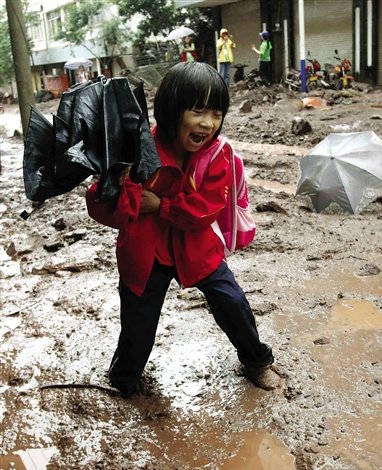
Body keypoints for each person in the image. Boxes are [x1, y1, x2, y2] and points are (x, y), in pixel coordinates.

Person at [85, 62, 281, 398]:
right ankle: (124, 381)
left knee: (231, 301)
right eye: (198, 111)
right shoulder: (136, 149)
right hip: (147, 252)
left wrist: (160, 206)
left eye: (216, 113)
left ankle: (256, 361)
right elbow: (105, 209)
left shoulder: (217, 155)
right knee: (138, 325)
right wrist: (119, 181)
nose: (207, 123)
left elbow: (206, 209)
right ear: (173, 110)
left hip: (197, 247)